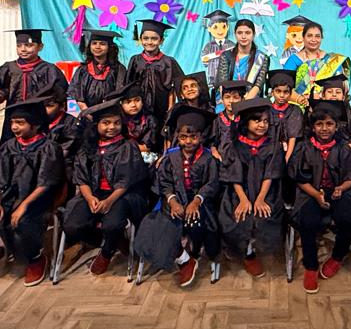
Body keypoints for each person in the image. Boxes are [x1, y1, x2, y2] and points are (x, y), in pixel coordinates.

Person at [0, 98, 65, 287]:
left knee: (23, 223)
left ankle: (35, 258)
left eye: (20, 123)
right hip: (9, 196)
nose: (14, 127)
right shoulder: (8, 147)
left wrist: (23, 206)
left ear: (35, 124)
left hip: (38, 199)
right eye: (13, 122)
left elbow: (45, 182)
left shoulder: (49, 148)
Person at [135, 105, 221, 288]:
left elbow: (212, 184)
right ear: (177, 137)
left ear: (201, 136)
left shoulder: (208, 158)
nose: (188, 141)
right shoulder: (170, 157)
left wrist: (196, 201)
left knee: (195, 223)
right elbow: (164, 183)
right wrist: (173, 202)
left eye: (193, 136)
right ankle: (184, 259)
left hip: (200, 204)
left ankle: (189, 252)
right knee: (155, 227)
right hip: (173, 203)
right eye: (183, 137)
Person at [62, 99, 150, 275]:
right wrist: (89, 198)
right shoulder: (88, 147)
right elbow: (81, 178)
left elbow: (126, 181)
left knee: (112, 224)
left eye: (117, 123)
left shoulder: (127, 147)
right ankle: (111, 241)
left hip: (122, 195)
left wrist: (109, 201)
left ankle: (107, 252)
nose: (112, 127)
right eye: (106, 123)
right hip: (94, 193)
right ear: (96, 125)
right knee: (72, 225)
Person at [289, 100, 351, 293]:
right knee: (308, 222)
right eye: (319, 124)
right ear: (313, 127)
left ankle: (338, 256)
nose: (324, 128)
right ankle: (311, 266)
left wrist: (341, 188)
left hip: (338, 190)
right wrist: (317, 195)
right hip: (310, 191)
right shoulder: (304, 148)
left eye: (329, 124)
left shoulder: (343, 148)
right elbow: (300, 179)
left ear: (336, 126)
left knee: (347, 219)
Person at [218, 97, 286, 277]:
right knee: (237, 216)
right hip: (239, 191)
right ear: (246, 122)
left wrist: (261, 199)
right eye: (257, 120)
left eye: (266, 121)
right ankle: (247, 253)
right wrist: (243, 199)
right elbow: (233, 175)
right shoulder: (235, 145)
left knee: (264, 216)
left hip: (267, 191)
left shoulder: (273, 146)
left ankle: (255, 248)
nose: (262, 125)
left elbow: (270, 173)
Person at [126, 20, 184, 148]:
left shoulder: (169, 62)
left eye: (154, 38)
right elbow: (128, 85)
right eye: (145, 38)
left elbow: (180, 85)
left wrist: (171, 109)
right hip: (139, 107)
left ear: (161, 41)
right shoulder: (135, 60)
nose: (149, 42)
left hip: (162, 107)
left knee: (160, 136)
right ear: (140, 39)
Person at [0, 27, 69, 111]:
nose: (23, 49)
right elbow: (0, 91)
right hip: (14, 113)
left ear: (40, 47)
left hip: (41, 113)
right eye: (19, 46)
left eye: (29, 45)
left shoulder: (50, 70)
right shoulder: (8, 68)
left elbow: (60, 96)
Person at [285, 21, 351, 106]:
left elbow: (339, 87)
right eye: (309, 36)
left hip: (326, 105)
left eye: (317, 36)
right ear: (303, 37)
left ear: (321, 38)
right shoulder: (293, 60)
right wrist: (300, 99)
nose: (313, 39)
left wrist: (320, 96)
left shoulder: (331, 61)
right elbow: (285, 87)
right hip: (298, 105)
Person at [68, 28, 127, 110]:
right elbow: (79, 97)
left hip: (112, 112)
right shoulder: (82, 70)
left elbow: (120, 94)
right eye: (94, 43)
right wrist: (87, 113)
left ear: (109, 47)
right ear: (90, 46)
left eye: (102, 44)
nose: (97, 47)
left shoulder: (118, 69)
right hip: (87, 112)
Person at [213, 18, 270, 102]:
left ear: (253, 34)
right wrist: (231, 101)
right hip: (228, 99)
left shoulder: (262, 58)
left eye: (247, 33)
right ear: (235, 34)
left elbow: (258, 85)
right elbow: (222, 84)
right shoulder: (226, 55)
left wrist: (244, 103)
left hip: (251, 99)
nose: (243, 36)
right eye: (239, 33)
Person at [313, 74, 351, 148]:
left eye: (338, 92)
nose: (334, 95)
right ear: (323, 96)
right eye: (330, 92)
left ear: (343, 96)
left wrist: (346, 152)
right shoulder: (316, 114)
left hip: (346, 151)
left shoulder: (349, 115)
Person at [266, 69, 304, 162]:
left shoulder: (295, 110)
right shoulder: (266, 110)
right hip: (269, 151)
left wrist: (287, 158)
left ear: (290, 93)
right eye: (278, 91)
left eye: (286, 92)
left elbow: (293, 137)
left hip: (291, 152)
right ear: (272, 92)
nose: (282, 95)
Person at [210, 80, 249, 160]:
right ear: (222, 99)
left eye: (235, 97)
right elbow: (212, 143)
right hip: (222, 161)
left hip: (243, 160)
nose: (231, 101)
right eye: (227, 97)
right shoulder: (217, 119)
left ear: (242, 99)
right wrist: (215, 153)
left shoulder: (246, 118)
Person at [198, 10, 233, 88]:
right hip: (213, 77)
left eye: (223, 27)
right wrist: (205, 60)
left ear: (227, 27)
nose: (220, 31)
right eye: (215, 27)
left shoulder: (231, 45)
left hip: (228, 78)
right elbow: (204, 62)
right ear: (209, 29)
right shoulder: (208, 46)